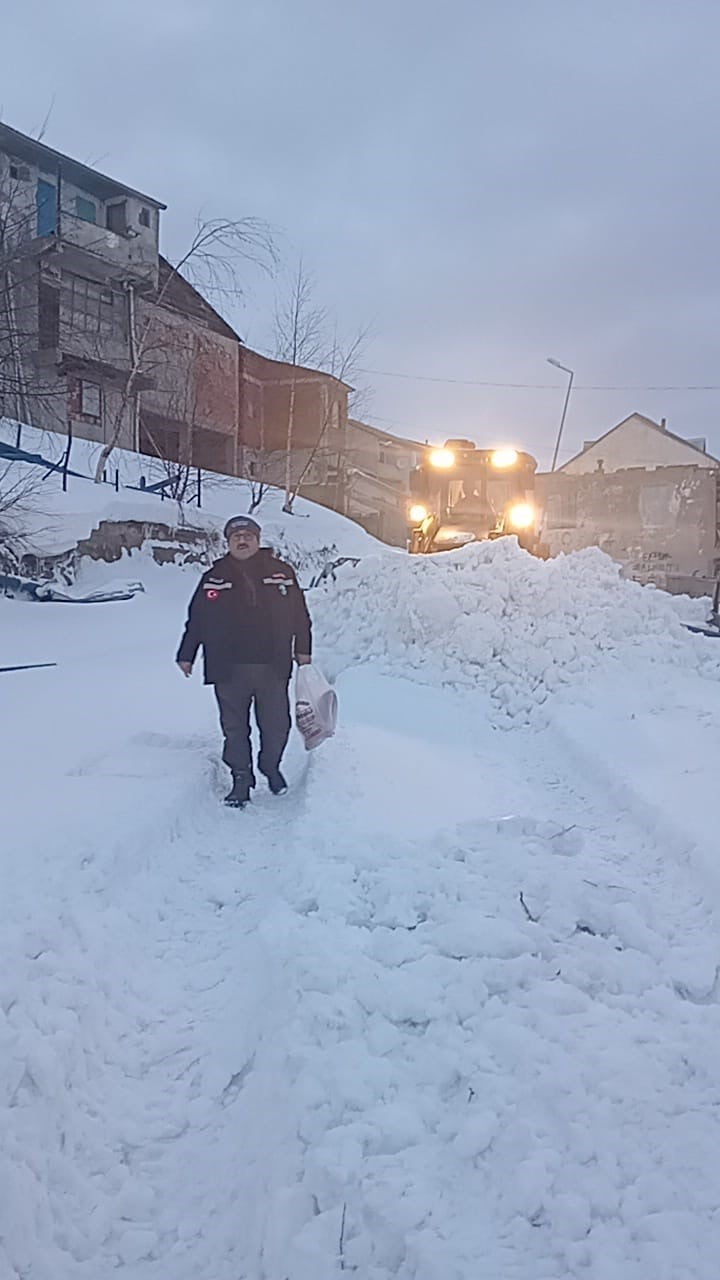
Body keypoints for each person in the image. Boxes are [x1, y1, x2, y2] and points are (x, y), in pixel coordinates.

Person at [176, 515, 312, 808]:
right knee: (235, 728)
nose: (242, 540)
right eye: (236, 536)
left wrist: (303, 649)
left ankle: (270, 765)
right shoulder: (214, 577)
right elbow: (197, 619)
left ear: (258, 540)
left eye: (248, 536)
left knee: (277, 726)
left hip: (273, 666)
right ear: (227, 542)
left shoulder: (282, 573)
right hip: (228, 667)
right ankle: (241, 779)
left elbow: (300, 615)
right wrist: (187, 654)